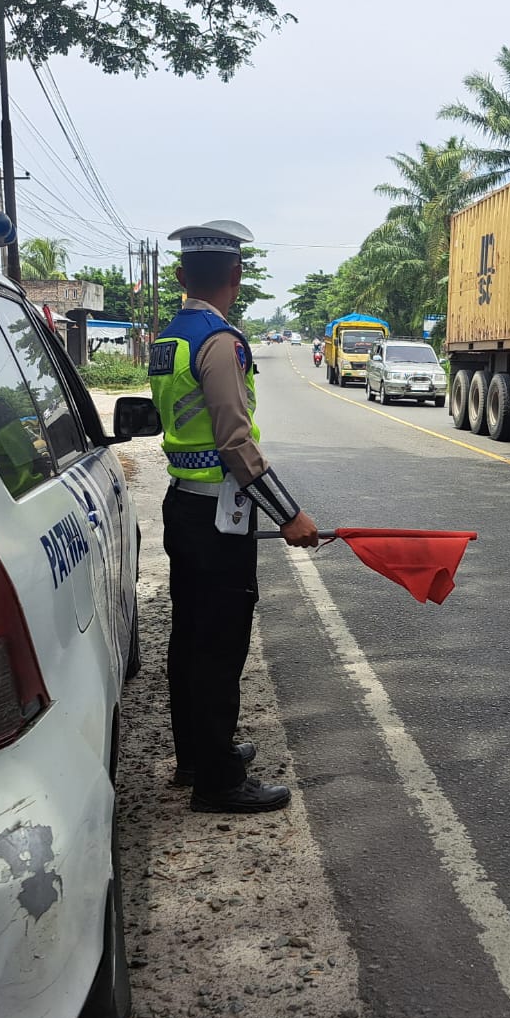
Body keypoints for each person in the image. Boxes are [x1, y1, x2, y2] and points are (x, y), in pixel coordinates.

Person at [149, 220, 321, 814]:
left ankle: (198, 754)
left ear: (179, 276)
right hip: (219, 517)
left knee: (190, 636)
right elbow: (236, 446)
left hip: (183, 506)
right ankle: (218, 781)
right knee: (220, 644)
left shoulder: (168, 335)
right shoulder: (220, 342)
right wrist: (291, 515)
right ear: (236, 276)